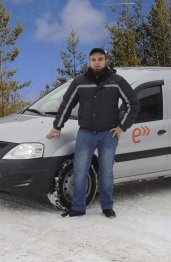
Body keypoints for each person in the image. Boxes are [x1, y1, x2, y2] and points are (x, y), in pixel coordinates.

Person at [46, 48, 139, 218]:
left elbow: (133, 103)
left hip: (108, 135)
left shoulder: (116, 81)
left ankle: (107, 206)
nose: (97, 62)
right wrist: (57, 126)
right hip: (86, 133)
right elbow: (67, 104)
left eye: (100, 59)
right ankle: (79, 207)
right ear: (89, 61)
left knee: (107, 172)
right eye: (94, 59)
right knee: (80, 171)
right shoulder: (80, 81)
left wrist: (122, 127)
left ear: (106, 61)